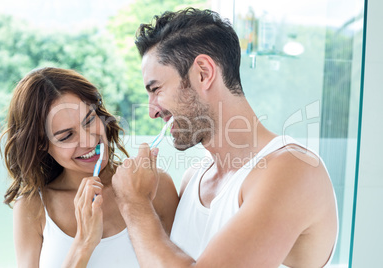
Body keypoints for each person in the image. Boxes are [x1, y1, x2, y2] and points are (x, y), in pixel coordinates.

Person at [111, 8, 338, 268]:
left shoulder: (295, 170)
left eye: (156, 89)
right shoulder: (193, 177)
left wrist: (135, 204)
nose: (151, 111)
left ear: (203, 74)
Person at [1, 67, 179, 267]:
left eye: (89, 120)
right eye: (66, 136)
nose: (88, 140)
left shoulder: (157, 185)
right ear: (41, 144)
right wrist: (83, 244)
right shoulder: (32, 207)